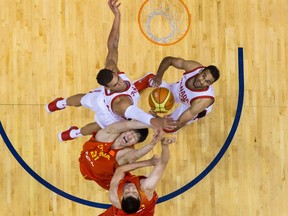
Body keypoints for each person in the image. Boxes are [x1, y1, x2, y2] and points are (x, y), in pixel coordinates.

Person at [45, 0, 177, 141]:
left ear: (115, 73)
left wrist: (117, 16)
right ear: (107, 87)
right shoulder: (121, 102)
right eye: (115, 85)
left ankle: (74, 133)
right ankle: (62, 103)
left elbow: (113, 44)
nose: (120, 84)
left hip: (107, 108)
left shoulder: (112, 68)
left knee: (97, 123)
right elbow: (138, 114)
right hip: (108, 108)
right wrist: (157, 122)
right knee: (84, 100)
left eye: (118, 79)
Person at [99, 136, 175, 215]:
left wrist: (148, 162)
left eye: (127, 192)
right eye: (134, 192)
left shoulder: (115, 196)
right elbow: (163, 163)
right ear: (139, 196)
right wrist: (165, 146)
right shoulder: (147, 188)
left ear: (122, 197)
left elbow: (120, 170)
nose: (131, 188)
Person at [79, 119, 164, 190]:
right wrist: (152, 122)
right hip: (83, 164)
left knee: (135, 189)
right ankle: (75, 132)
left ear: (136, 143)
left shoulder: (125, 153)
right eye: (130, 132)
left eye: (135, 137)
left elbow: (135, 155)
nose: (130, 136)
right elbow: (127, 125)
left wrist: (152, 144)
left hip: (102, 179)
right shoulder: (108, 134)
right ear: (125, 130)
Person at [149, 56, 220, 133]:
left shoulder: (203, 101)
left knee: (168, 128)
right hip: (179, 90)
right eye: (203, 76)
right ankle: (134, 91)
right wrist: (158, 76)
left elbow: (178, 124)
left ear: (210, 84)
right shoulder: (193, 67)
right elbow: (169, 60)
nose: (202, 82)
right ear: (200, 71)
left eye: (207, 81)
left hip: (190, 106)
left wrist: (158, 118)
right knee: (151, 79)